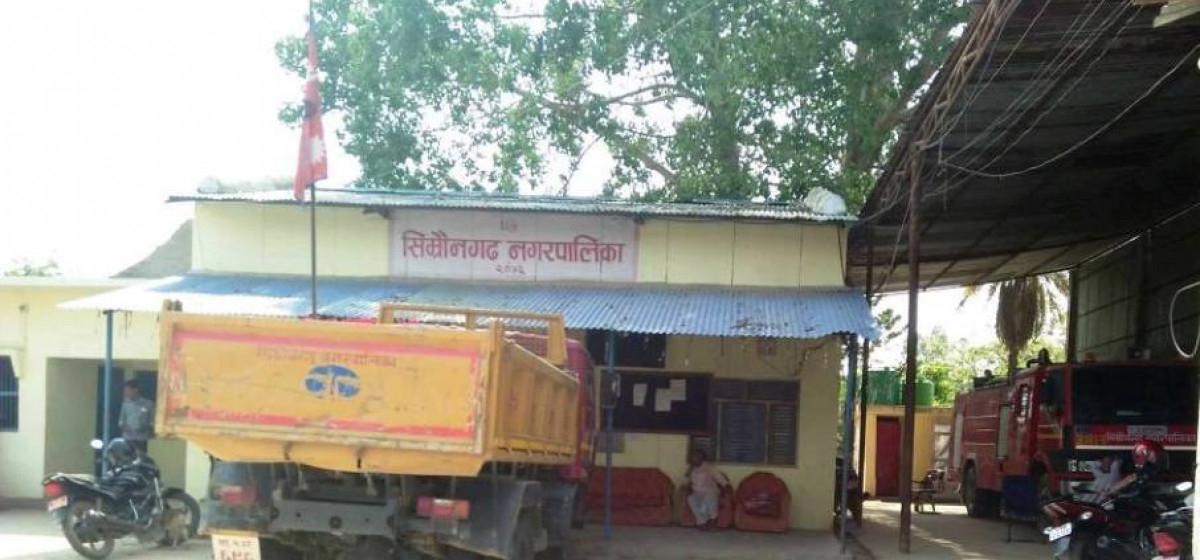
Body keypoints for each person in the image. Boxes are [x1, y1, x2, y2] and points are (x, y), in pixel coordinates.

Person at [683, 449, 729, 529]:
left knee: (708, 498)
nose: (692, 458)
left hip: (710, 492)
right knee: (690, 499)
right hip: (697, 493)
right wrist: (687, 488)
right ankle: (702, 521)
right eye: (691, 457)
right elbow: (689, 481)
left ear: (700, 457)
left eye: (694, 456)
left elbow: (722, 481)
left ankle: (713, 518)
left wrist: (725, 493)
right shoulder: (692, 469)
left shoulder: (710, 468)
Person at [118, 381, 154, 455]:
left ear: (135, 390)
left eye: (128, 390)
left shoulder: (148, 404)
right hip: (128, 439)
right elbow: (121, 421)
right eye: (125, 391)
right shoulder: (125, 404)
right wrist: (124, 427)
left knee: (141, 458)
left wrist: (144, 428)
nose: (126, 393)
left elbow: (152, 422)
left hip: (142, 439)